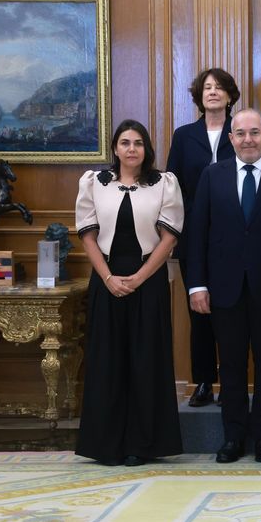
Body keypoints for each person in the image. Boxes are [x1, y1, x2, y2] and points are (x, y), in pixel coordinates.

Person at [186, 108, 261, 464]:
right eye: (241, 134)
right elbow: (199, 236)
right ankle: (233, 438)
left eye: (255, 133)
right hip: (224, 290)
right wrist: (197, 286)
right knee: (232, 367)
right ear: (231, 138)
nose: (248, 140)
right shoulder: (212, 176)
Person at [75, 119, 183, 466]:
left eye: (138, 143)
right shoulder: (94, 182)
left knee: (146, 361)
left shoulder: (164, 183)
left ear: (146, 149)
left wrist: (138, 278)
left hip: (148, 279)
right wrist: (107, 277)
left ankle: (142, 444)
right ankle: (105, 445)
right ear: (116, 148)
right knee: (107, 361)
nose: (132, 149)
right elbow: (88, 236)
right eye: (125, 142)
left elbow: (169, 238)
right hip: (106, 279)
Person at [166, 68, 239, 408]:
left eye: (219, 87)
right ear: (198, 96)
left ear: (229, 95)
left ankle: (232, 383)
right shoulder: (184, 136)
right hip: (194, 235)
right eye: (207, 88)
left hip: (235, 236)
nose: (213, 92)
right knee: (200, 314)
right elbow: (172, 187)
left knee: (232, 311)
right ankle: (204, 382)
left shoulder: (241, 132)